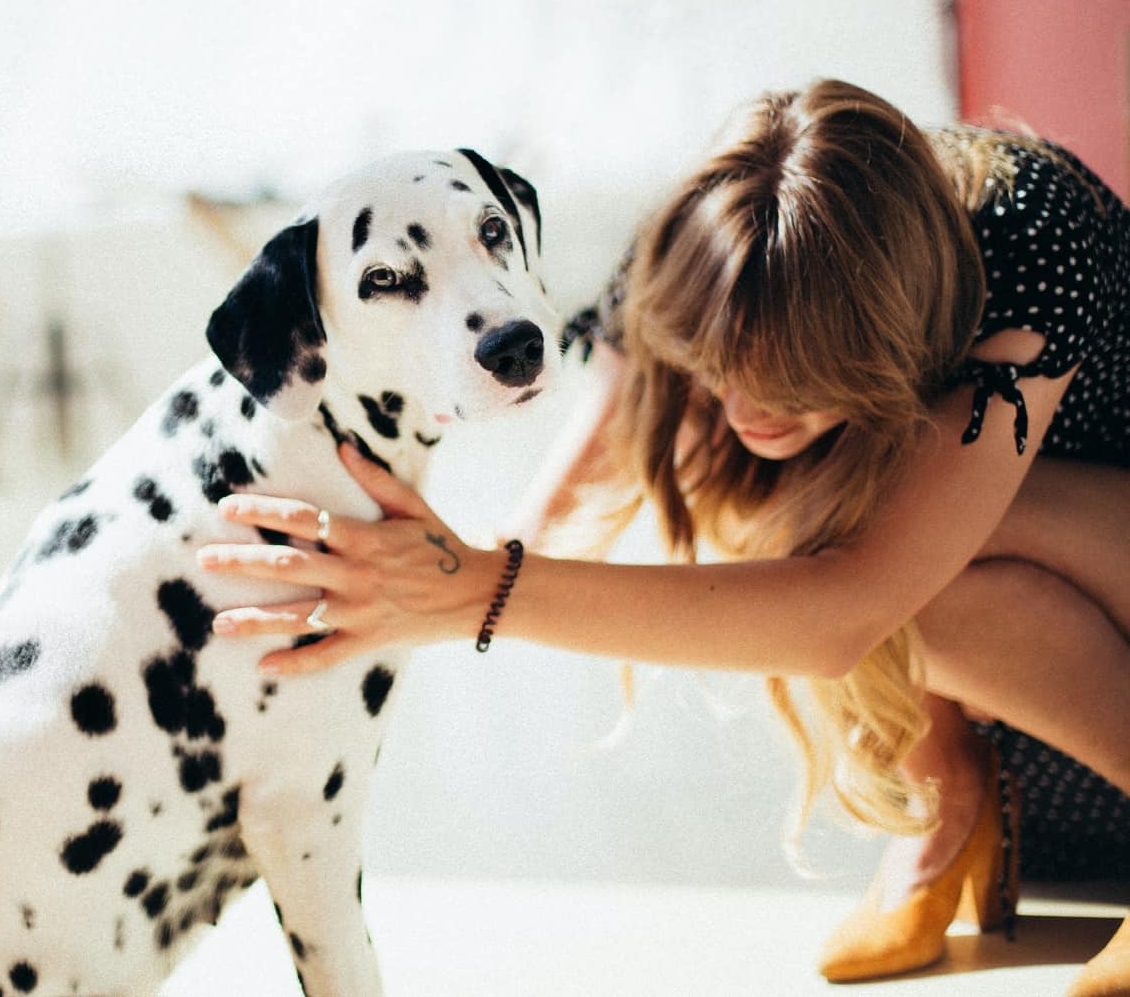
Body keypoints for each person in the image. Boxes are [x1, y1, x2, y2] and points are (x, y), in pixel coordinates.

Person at [197, 78, 1130, 992]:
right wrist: (457, 563)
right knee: (833, 527)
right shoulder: (722, 232)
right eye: (719, 364)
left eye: (796, 380)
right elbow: (592, 453)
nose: (744, 407)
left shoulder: (1027, 232)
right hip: (1053, 674)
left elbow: (850, 608)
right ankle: (950, 802)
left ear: (895, 329)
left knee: (911, 529)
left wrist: (474, 591)